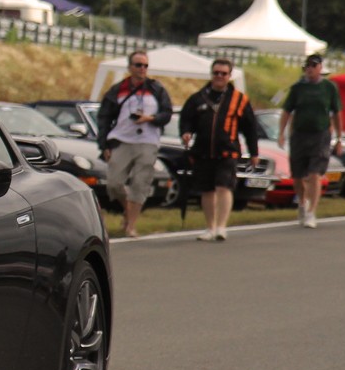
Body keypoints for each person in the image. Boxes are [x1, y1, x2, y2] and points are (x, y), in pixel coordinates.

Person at [179, 58, 261, 242]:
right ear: (211, 74)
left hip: (228, 150)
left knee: (224, 186)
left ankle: (221, 227)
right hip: (203, 151)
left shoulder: (239, 100)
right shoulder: (198, 97)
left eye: (223, 73)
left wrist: (254, 152)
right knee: (207, 190)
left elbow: (250, 127)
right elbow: (186, 119)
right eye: (216, 73)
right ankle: (210, 226)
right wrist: (186, 133)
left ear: (229, 76)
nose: (219, 76)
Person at [95, 50, 173, 238]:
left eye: (145, 65)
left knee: (140, 183)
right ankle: (127, 209)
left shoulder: (156, 89)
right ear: (130, 67)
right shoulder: (117, 89)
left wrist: (150, 118)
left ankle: (131, 225)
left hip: (148, 141)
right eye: (138, 65)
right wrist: (104, 144)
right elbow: (104, 118)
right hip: (122, 139)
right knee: (114, 183)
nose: (142, 69)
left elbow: (167, 114)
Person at [278, 53, 343, 228]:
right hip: (299, 134)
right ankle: (302, 202)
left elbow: (337, 113)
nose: (309, 69)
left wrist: (339, 138)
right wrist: (281, 133)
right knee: (298, 176)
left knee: (315, 174)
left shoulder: (329, 88)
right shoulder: (298, 88)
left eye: (313, 66)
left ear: (320, 68)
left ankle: (312, 211)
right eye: (307, 66)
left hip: (320, 135)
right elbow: (286, 111)